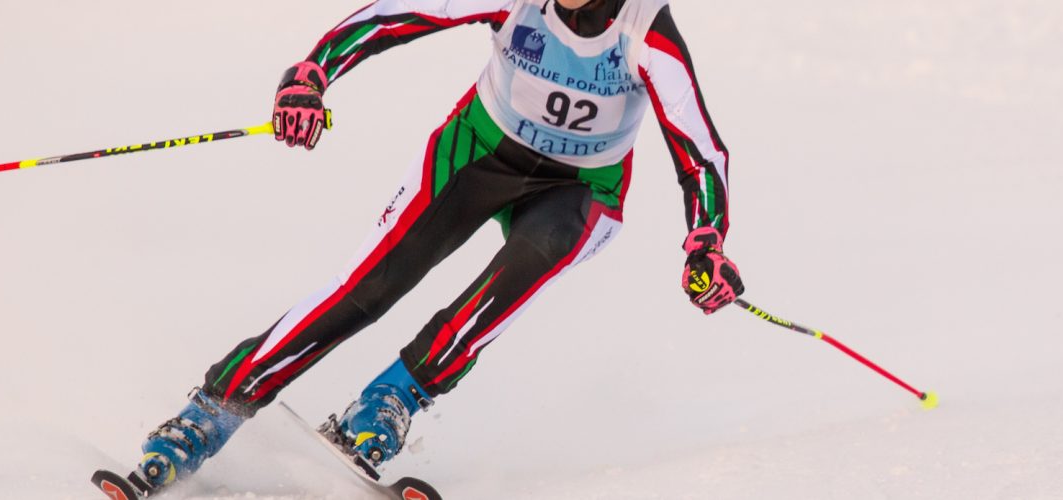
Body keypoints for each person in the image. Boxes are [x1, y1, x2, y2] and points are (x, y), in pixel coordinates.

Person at [131, 0, 743, 489]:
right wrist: (314, 73)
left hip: (580, 188)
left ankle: (392, 398)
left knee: (522, 271)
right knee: (367, 288)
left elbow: (700, 151)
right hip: (477, 152)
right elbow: (391, 15)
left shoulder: (646, 28)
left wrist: (706, 242)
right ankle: (211, 412)